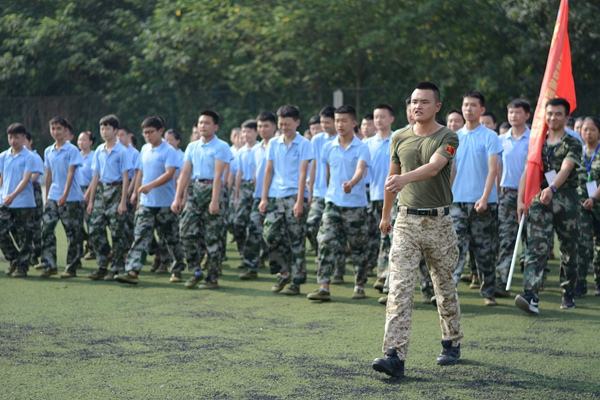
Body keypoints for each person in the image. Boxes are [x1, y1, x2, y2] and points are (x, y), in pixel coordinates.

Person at [371, 82, 462, 378]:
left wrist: (403, 180)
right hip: (406, 221)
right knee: (398, 287)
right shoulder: (398, 137)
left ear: (437, 106)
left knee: (444, 285)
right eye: (413, 101)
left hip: (439, 222)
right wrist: (386, 214)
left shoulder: (448, 136)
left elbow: (435, 167)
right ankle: (394, 354)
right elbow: (391, 179)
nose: (417, 106)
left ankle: (451, 341)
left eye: (424, 101)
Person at [515, 98, 581, 314]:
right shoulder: (538, 142)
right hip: (540, 201)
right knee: (536, 248)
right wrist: (521, 199)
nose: (553, 118)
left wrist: (552, 188)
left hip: (565, 201)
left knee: (568, 248)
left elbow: (566, 167)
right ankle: (531, 295)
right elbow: (529, 169)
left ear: (566, 117)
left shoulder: (572, 142)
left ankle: (568, 290)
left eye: (558, 114)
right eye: (549, 114)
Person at [306, 105, 370, 301]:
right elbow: (326, 174)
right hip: (332, 203)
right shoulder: (328, 147)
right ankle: (324, 286)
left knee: (357, 247)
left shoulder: (362, 147)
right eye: (337, 120)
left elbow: (361, 169)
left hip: (355, 205)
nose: (339, 125)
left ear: (353, 123)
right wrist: (326, 194)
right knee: (324, 242)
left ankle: (359, 285)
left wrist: (352, 182)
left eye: (344, 121)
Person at [116, 116, 186, 284]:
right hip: (147, 203)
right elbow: (140, 172)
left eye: (151, 132)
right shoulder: (145, 149)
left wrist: (150, 186)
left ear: (160, 131)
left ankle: (177, 269)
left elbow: (170, 174)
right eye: (145, 132)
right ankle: (132, 270)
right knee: (140, 235)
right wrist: (135, 193)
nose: (147, 135)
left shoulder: (169, 151)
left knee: (171, 238)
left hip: (164, 204)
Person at [450, 91, 502, 306]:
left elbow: (493, 170)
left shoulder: (490, 137)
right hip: (457, 203)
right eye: (465, 105)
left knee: (484, 250)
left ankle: (488, 292)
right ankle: (448, 291)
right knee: (455, 247)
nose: (468, 109)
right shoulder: (453, 138)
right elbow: (451, 167)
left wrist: (484, 197)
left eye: (473, 105)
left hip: (484, 203)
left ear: (481, 110)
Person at [171, 110, 232, 289]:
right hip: (195, 190)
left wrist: (214, 201)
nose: (202, 126)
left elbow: (218, 174)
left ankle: (212, 277)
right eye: (200, 123)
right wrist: (178, 197)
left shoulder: (221, 146)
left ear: (215, 126)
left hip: (214, 189)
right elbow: (185, 173)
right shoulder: (192, 146)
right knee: (185, 231)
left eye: (206, 123)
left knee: (213, 236)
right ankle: (196, 269)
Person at [259, 105, 314, 295]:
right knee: (270, 235)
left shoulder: (305, 144)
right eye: (281, 123)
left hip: (294, 195)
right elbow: (268, 170)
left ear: (297, 123)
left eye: (287, 124)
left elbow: (302, 173)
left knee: (296, 239)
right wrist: (264, 197)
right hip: (275, 195)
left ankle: (296, 281)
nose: (284, 127)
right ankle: (283, 271)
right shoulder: (273, 143)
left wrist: (300, 201)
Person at [38, 116, 85, 278]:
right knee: (47, 228)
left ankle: (71, 267)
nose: (56, 132)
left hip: (71, 198)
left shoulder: (71, 150)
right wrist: (48, 196)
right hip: (54, 196)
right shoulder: (48, 150)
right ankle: (49, 264)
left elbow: (71, 173)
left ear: (65, 131)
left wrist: (64, 195)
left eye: (59, 129)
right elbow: (49, 175)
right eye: (53, 128)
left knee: (72, 233)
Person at [86, 114, 131, 281]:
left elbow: (126, 176)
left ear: (115, 130)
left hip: (116, 190)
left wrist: (123, 201)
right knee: (95, 229)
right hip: (100, 192)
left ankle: (117, 267)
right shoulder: (98, 150)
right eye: (102, 128)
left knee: (117, 231)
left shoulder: (122, 151)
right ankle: (103, 264)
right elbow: (95, 176)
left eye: (107, 128)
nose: (104, 131)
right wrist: (91, 200)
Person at [495, 99, 531, 295]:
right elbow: (496, 168)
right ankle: (502, 281)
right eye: (510, 112)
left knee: (530, 239)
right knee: (506, 238)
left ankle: (532, 282)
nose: (513, 116)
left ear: (527, 115)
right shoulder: (501, 140)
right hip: (507, 194)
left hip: (529, 194)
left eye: (517, 112)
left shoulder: (534, 139)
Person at [238, 111, 278, 280]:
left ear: (274, 127)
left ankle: (280, 269)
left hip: (277, 196)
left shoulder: (279, 145)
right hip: (258, 196)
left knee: (274, 234)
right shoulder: (256, 149)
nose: (262, 129)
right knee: (253, 231)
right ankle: (251, 266)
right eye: (260, 126)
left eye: (266, 126)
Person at [0, 123, 41, 278]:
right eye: (10, 137)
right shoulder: (3, 156)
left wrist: (13, 195)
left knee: (24, 236)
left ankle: (22, 267)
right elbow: (1, 177)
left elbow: (26, 179)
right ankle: (14, 260)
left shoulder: (30, 157)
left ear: (24, 138)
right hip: (5, 201)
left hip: (23, 202)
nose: (13, 141)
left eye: (17, 137)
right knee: (2, 231)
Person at [364, 104, 396, 289]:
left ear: (391, 119)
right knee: (379, 238)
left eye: (382, 117)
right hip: (374, 195)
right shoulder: (367, 144)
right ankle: (382, 274)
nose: (378, 120)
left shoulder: (397, 140)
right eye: (376, 117)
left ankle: (388, 278)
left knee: (391, 237)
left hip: (393, 196)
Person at [306, 106, 337, 256]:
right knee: (311, 224)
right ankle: (320, 250)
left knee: (337, 232)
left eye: (327, 122)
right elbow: (313, 165)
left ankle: (337, 266)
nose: (324, 126)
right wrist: (310, 190)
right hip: (319, 191)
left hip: (337, 194)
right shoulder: (317, 139)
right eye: (322, 122)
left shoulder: (341, 139)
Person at [576, 116, 600, 297]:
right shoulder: (577, 152)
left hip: (597, 203)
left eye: (592, 129)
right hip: (581, 206)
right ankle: (580, 283)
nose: (588, 133)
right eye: (585, 129)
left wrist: (594, 197)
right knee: (582, 246)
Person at [232, 120, 259, 257]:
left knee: (255, 224)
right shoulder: (240, 152)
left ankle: (257, 255)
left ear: (256, 132)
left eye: (249, 131)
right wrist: (236, 194)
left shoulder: (260, 149)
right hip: (244, 187)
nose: (245, 135)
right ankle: (244, 253)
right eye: (243, 131)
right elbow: (238, 173)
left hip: (257, 189)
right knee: (238, 223)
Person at [24, 132, 44, 267]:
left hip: (32, 190)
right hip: (19, 193)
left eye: (24, 140)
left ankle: (35, 254)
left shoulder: (35, 157)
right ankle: (27, 253)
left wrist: (21, 184)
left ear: (30, 142)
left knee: (35, 224)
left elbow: (35, 176)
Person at [77, 131, 97, 260]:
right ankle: (84, 246)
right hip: (76, 190)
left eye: (84, 140)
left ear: (90, 142)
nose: (81, 142)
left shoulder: (94, 156)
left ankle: (93, 248)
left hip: (90, 190)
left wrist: (88, 194)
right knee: (76, 223)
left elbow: (95, 177)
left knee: (90, 221)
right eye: (79, 140)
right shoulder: (76, 156)